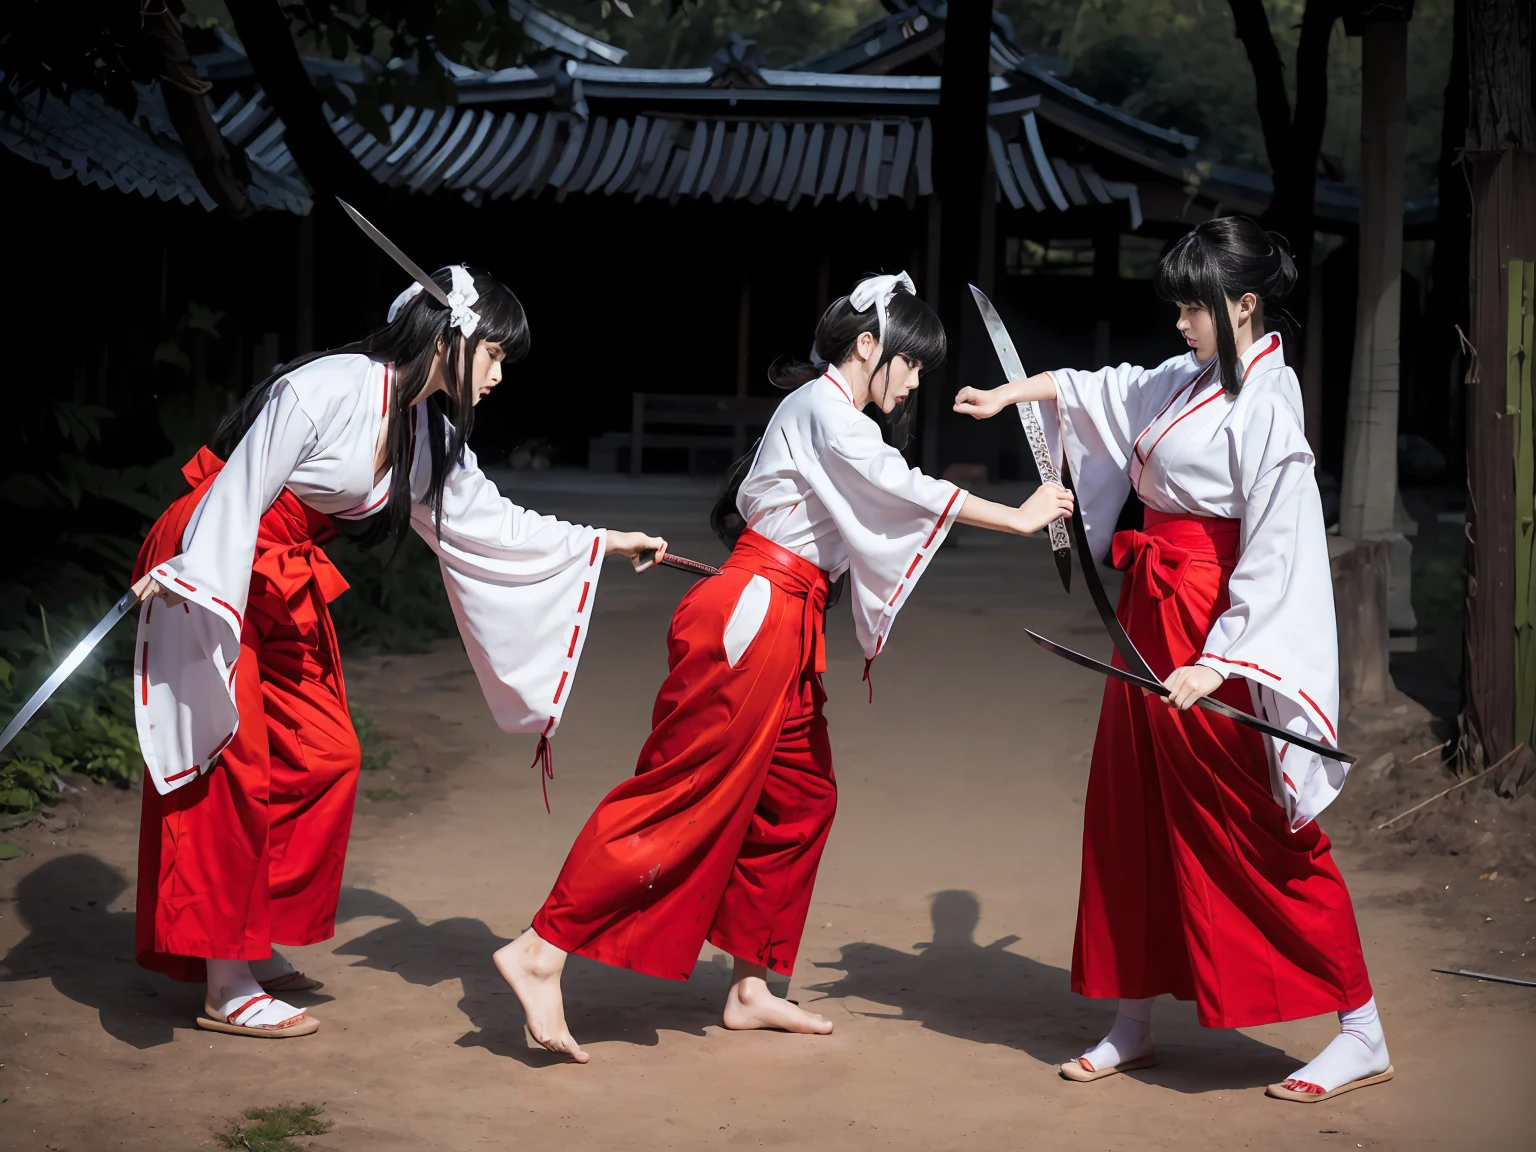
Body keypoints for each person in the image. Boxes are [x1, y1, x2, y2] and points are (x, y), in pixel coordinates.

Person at [495, 272, 1075, 1062]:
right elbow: (892, 484)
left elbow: (877, 492)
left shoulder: (833, 415)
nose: (913, 382)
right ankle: (542, 946)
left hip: (784, 619)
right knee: (684, 789)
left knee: (801, 800)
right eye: (908, 363)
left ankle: (752, 984)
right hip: (755, 616)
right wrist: (1015, 515)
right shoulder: (823, 409)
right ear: (868, 346)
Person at [131, 264, 666, 1038]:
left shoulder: (424, 433)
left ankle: (243, 935)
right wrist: (193, 571)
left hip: (277, 570)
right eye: (494, 354)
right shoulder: (333, 386)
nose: (499, 373)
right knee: (230, 755)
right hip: (211, 554)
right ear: (452, 337)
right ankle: (225, 978)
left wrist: (604, 543)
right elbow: (240, 487)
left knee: (326, 754)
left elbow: (493, 525)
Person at [954, 217, 1391, 1103]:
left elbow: (1275, 550)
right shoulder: (1188, 376)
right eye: (1181, 306)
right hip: (1153, 613)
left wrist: (1222, 662)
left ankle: (1362, 1028)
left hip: (1210, 623)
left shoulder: (1269, 403)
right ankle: (1134, 1019)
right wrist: (1015, 397)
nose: (1182, 322)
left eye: (1196, 307)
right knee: (1132, 809)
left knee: (1253, 822)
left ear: (1246, 305)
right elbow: (1103, 390)